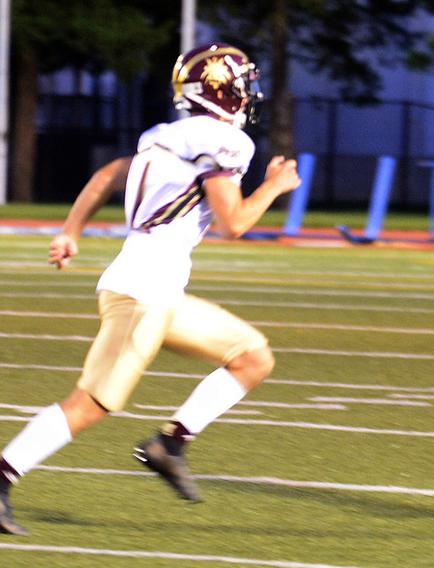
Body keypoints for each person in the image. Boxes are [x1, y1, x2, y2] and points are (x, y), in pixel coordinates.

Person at [0, 43, 301, 536]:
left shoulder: (164, 136)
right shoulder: (222, 143)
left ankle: (170, 445)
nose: (248, 94)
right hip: (143, 294)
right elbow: (234, 222)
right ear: (223, 90)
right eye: (242, 84)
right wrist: (273, 187)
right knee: (92, 405)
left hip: (157, 291)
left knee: (252, 357)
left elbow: (105, 177)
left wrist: (71, 230)